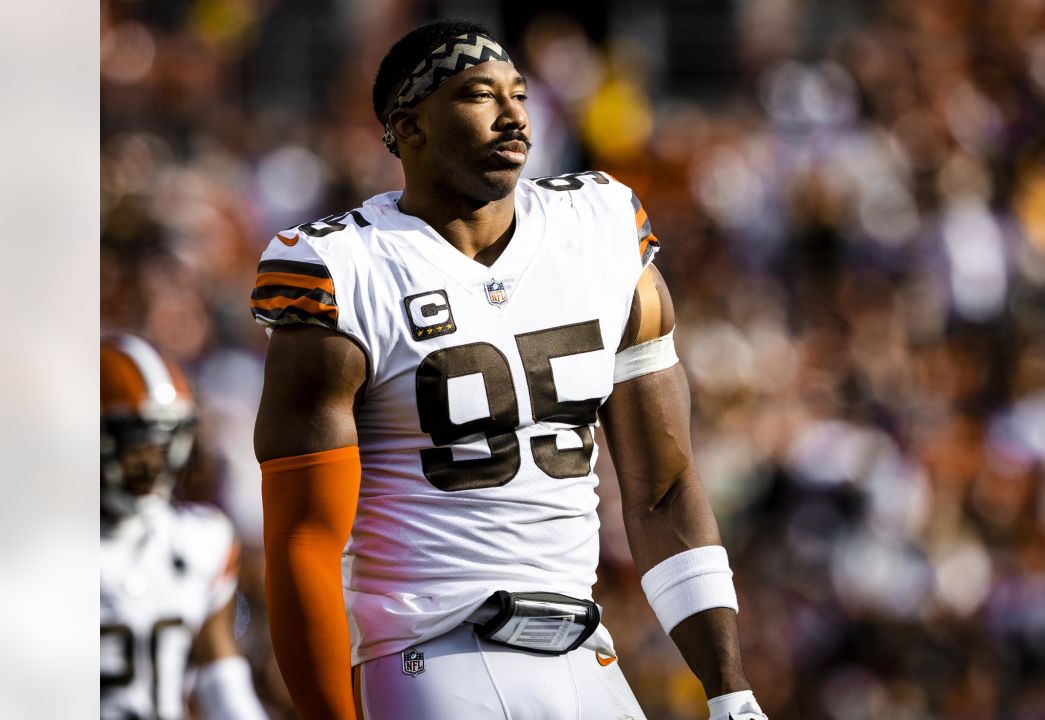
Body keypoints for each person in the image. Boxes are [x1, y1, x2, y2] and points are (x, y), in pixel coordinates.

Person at [252, 18, 766, 719]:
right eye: (477, 94)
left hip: (586, 650)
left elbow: (664, 489)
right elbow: (303, 542)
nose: (513, 113)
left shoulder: (601, 225)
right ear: (410, 127)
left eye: (518, 93)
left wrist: (731, 692)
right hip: (431, 653)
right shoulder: (343, 270)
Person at [101, 333, 268, 720]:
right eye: (133, 445)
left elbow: (222, 681)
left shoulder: (201, 540)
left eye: (161, 445)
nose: (150, 465)